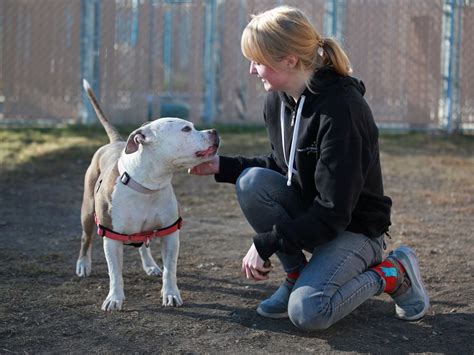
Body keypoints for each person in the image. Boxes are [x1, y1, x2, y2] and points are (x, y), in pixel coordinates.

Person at [189, 5, 429, 331]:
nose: (251, 70)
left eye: (258, 61)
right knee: (250, 182)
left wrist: (266, 242)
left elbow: (333, 212)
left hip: (354, 228)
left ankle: (392, 272)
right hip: (316, 219)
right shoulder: (279, 99)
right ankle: (296, 276)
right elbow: (284, 166)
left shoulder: (342, 110)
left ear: (289, 60)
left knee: (309, 312)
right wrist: (223, 165)